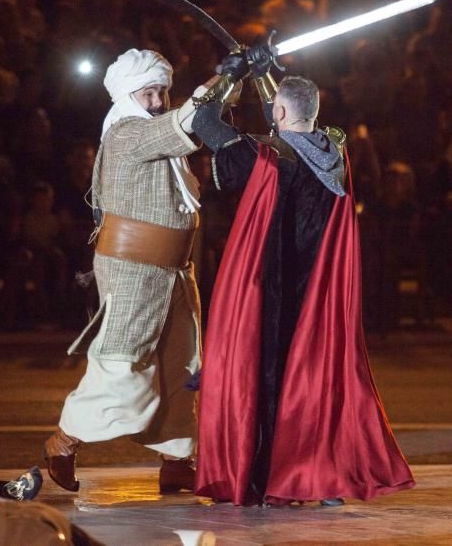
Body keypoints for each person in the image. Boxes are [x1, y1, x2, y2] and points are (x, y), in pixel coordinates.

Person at [191, 55, 415, 506]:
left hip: (272, 291)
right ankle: (321, 472)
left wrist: (230, 73)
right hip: (318, 295)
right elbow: (294, 119)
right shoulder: (335, 152)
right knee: (312, 380)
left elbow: (203, 121)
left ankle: (277, 476)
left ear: (277, 112)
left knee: (270, 383)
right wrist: (263, 76)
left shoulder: (267, 155)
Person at [44, 48, 210, 494]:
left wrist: (227, 83)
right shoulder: (126, 132)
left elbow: (184, 123)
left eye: (162, 92)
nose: (158, 101)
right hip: (135, 268)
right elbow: (183, 124)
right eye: (150, 92)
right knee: (123, 364)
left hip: (174, 269)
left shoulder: (154, 131)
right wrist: (221, 80)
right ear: (128, 95)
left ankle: (178, 460)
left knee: (182, 364)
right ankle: (63, 442)